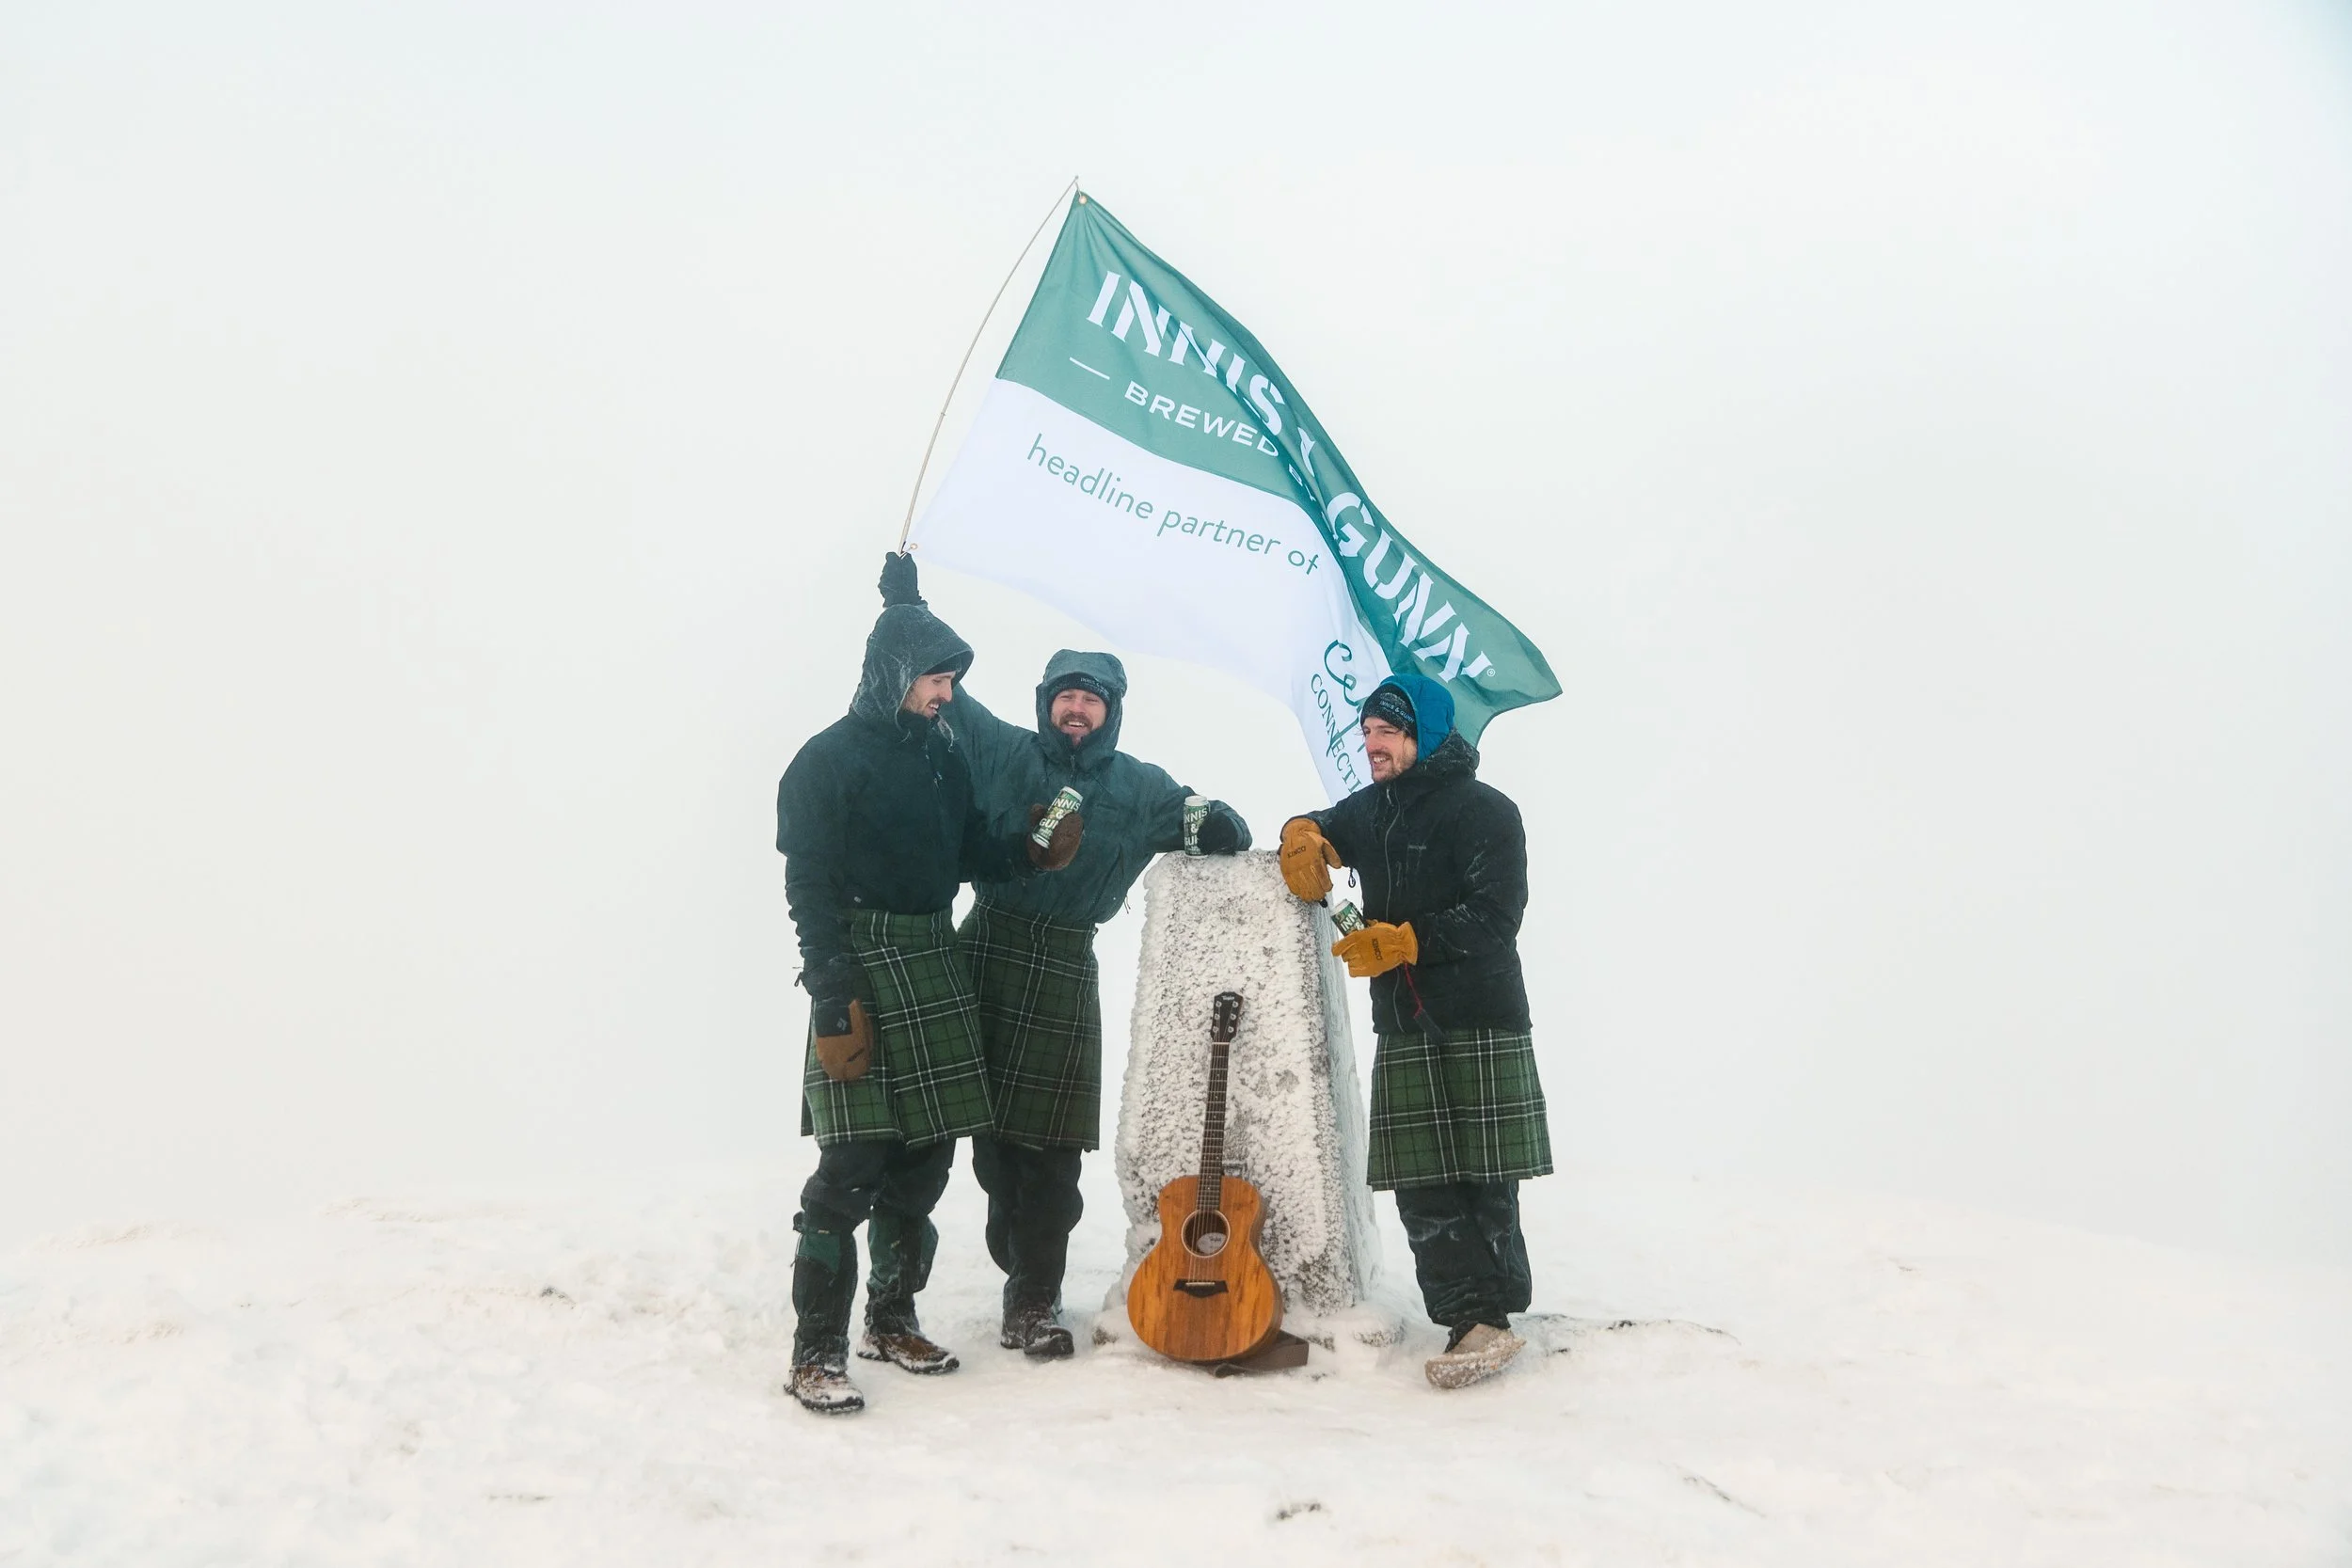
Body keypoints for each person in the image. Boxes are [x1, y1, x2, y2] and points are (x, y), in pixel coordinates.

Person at [878, 551, 1251, 1358]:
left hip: (1064, 965)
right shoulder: (1001, 750)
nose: (1075, 708)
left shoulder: (1141, 787)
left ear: (1110, 710)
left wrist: (1223, 824)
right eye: (1064, 696)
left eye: (1090, 697)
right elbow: (939, 684)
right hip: (982, 949)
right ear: (1045, 705)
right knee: (957, 1138)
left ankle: (1033, 1302)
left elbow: (1207, 821)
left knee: (1046, 1155)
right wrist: (904, 605)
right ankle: (914, 1297)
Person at [774, 594, 1081, 1416]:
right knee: (851, 1167)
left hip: (933, 952)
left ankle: (891, 1318)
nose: (945, 692)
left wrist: (1026, 848)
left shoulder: (944, 757)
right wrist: (831, 987)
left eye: (949, 678)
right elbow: (806, 882)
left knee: (926, 1160)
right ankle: (815, 1352)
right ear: (893, 676)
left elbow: (971, 850)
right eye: (934, 678)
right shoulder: (825, 761)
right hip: (861, 958)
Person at [1278, 673, 1551, 1389]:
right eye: (1366, 731)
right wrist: (1299, 835)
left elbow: (1496, 918)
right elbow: (1324, 823)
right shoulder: (1373, 811)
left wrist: (1407, 941)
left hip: (1481, 1013)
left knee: (1487, 1178)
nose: (1372, 745)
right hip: (1402, 1020)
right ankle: (1473, 1319)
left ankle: (1493, 1308)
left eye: (1387, 732)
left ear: (1422, 734)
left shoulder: (1489, 812)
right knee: (1422, 1181)